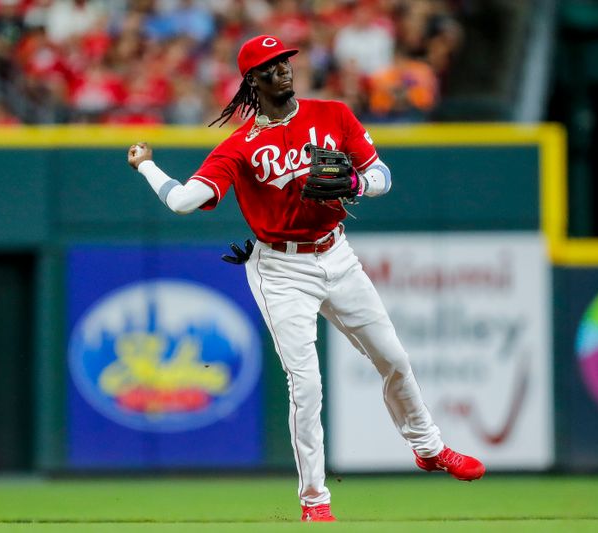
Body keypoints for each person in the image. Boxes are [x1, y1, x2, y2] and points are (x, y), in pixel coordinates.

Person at [126, 34, 485, 523]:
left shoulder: (333, 114)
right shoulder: (242, 144)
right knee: (307, 385)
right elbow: (183, 201)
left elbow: (380, 175)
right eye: (272, 65)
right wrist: (148, 166)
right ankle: (315, 501)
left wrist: (357, 182)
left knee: (394, 357)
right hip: (280, 268)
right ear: (253, 79)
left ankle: (429, 448)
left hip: (336, 253)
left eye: (286, 60)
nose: (284, 70)